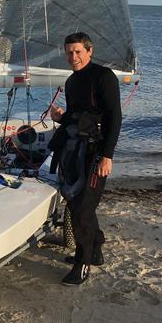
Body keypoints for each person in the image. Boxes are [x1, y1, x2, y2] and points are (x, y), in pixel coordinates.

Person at [49, 32, 122, 286]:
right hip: (73, 151)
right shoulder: (71, 82)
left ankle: (83, 263)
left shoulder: (103, 77)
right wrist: (61, 117)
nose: (73, 57)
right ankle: (96, 250)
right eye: (69, 52)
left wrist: (107, 156)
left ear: (90, 51)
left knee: (82, 209)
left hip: (95, 153)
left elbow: (114, 118)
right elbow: (76, 116)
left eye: (78, 51)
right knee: (78, 202)